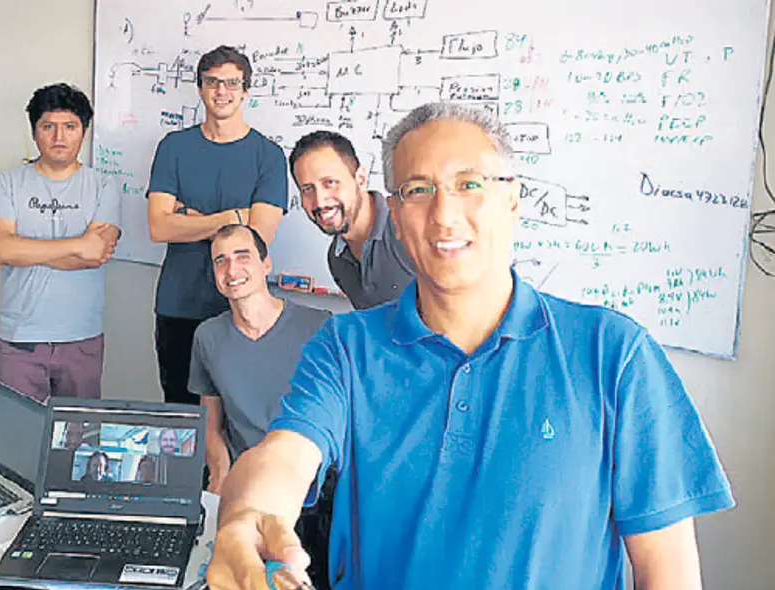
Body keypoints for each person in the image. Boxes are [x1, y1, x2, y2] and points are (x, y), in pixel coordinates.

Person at [205, 102, 735, 590]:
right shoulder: (346, 347)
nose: (444, 215)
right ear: (395, 210)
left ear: (512, 198)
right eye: (418, 190)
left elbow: (667, 568)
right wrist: (247, 515)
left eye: (469, 184)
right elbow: (285, 454)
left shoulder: (612, 355)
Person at [188, 223, 334, 588]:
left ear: (266, 264)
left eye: (242, 256)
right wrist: (220, 475)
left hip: (312, 492)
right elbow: (210, 421)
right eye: (220, 261)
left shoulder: (319, 327)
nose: (231, 269)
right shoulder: (208, 337)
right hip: (244, 494)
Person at [146, 45, 288, 407]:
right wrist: (232, 218)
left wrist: (191, 219)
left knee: (240, 415)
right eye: (212, 82)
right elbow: (159, 227)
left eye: (231, 83)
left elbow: (260, 238)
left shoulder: (268, 155)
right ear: (200, 88)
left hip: (242, 307)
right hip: (179, 306)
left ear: (245, 90)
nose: (221, 91)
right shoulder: (173, 147)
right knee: (180, 414)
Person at [0, 83, 121, 403]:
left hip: (81, 339)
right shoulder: (7, 184)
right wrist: (77, 245)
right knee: (17, 441)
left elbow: (96, 253)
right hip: (19, 340)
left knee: (78, 444)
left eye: (70, 127)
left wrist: (21, 251)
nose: (59, 137)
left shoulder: (103, 185)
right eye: (48, 126)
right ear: (34, 133)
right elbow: (0, 248)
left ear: (84, 132)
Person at [290, 130, 414, 309]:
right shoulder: (337, 259)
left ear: (361, 179)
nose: (319, 201)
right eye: (307, 189)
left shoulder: (409, 230)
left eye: (330, 183)